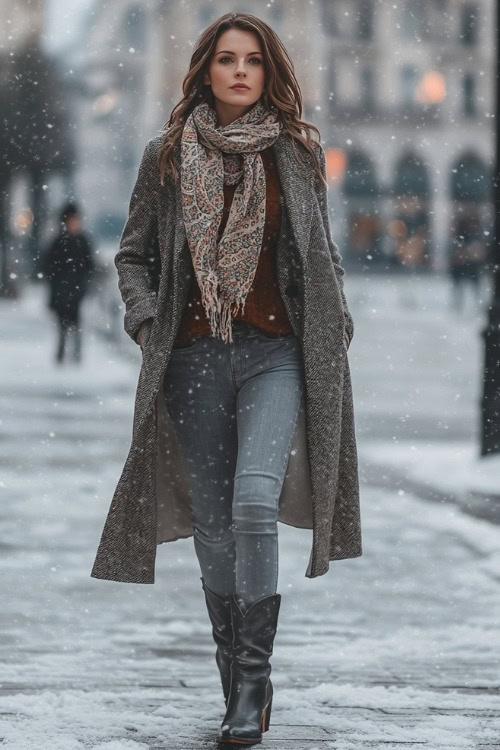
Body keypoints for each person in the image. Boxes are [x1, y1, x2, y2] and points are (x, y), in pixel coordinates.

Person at [90, 12, 361, 746]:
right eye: (226, 60)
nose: (241, 72)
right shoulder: (168, 156)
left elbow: (321, 256)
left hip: (275, 356)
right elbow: (132, 256)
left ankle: (252, 678)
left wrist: (335, 322)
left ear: (270, 73)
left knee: (251, 504)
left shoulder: (297, 157)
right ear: (206, 70)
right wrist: (149, 323)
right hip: (194, 358)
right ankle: (239, 680)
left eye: (254, 61)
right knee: (212, 525)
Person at [42, 202, 95, 364]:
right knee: (62, 324)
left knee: (75, 321)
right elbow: (49, 266)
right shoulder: (59, 242)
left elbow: (89, 264)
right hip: (62, 290)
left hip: (75, 289)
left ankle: (74, 353)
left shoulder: (81, 241)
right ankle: (63, 352)